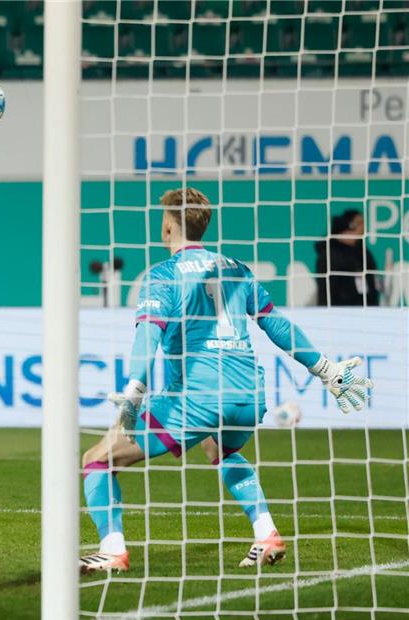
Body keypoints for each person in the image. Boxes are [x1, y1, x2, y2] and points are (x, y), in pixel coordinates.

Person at [79, 188, 373, 573]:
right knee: (218, 447)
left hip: (199, 397)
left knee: (96, 460)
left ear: (168, 226)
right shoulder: (236, 268)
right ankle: (266, 532)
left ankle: (112, 550)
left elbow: (147, 336)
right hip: (248, 397)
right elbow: (275, 324)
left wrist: (135, 391)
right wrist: (326, 369)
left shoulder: (163, 276)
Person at [315, 209, 381, 307]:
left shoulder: (362, 251)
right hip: (341, 310)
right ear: (349, 225)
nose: (364, 227)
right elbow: (328, 290)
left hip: (367, 308)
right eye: (360, 223)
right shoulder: (331, 254)